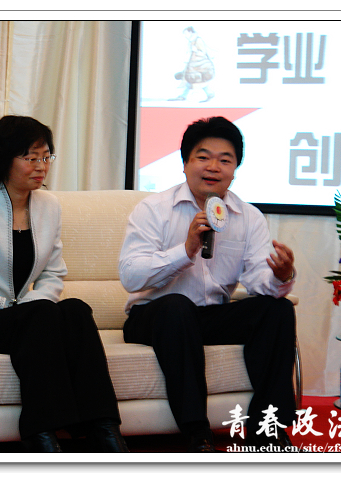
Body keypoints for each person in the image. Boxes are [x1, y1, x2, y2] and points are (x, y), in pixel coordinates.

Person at [0, 115, 128, 453]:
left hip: (27, 320)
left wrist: (34, 304)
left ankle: (104, 428)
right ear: (4, 160)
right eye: (31, 157)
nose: (41, 166)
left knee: (76, 310)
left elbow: (53, 273)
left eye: (46, 157)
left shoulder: (49, 206)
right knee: (40, 316)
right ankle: (41, 433)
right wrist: (5, 307)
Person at [118, 116, 297, 452]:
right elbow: (130, 276)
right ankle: (197, 435)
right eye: (203, 157)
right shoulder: (154, 209)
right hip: (154, 317)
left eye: (225, 160)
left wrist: (280, 275)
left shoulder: (248, 217)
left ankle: (267, 431)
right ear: (185, 163)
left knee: (278, 310)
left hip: (208, 317)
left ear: (235, 170)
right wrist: (184, 251)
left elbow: (259, 283)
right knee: (177, 307)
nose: (213, 167)